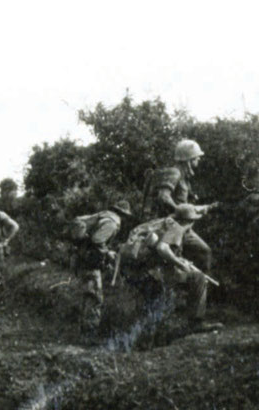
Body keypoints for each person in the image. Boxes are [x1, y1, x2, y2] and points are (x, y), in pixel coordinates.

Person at [119, 204, 221, 334]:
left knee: (155, 299)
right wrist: (179, 263)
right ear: (189, 221)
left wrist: (178, 259)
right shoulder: (177, 228)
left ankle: (148, 330)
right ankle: (196, 322)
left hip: (137, 269)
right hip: (155, 271)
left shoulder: (162, 222)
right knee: (199, 278)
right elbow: (162, 248)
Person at [145, 139, 218, 273]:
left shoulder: (185, 178)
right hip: (172, 225)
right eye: (197, 157)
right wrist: (179, 210)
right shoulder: (175, 172)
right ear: (189, 158)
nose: (199, 160)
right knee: (191, 257)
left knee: (205, 252)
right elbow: (163, 196)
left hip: (183, 226)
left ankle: (198, 284)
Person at [70, 200, 132, 330]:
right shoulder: (112, 223)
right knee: (95, 296)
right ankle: (90, 330)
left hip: (82, 258)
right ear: (123, 215)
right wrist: (108, 252)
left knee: (89, 294)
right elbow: (97, 240)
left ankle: (84, 328)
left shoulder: (103, 215)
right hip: (89, 262)